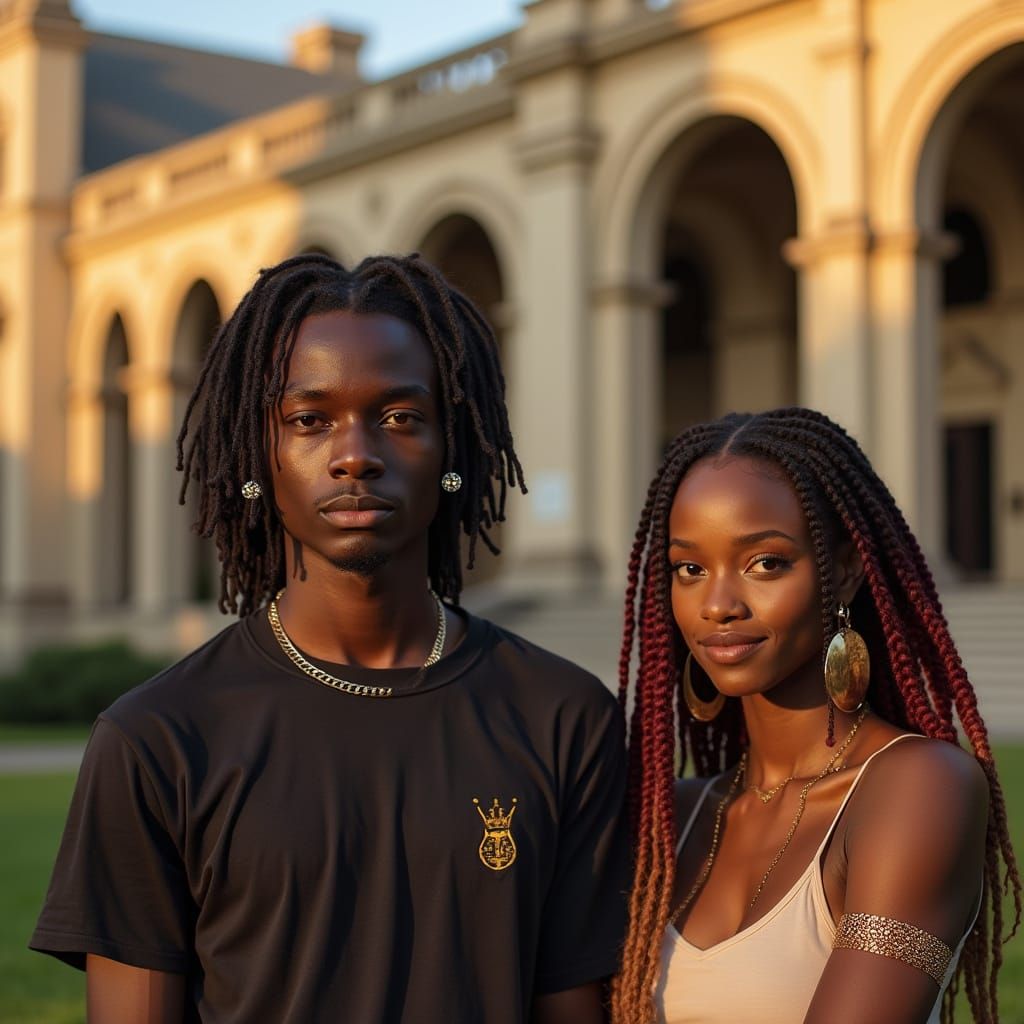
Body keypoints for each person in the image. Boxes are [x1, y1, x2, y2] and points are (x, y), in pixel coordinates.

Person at [31, 253, 629, 1023]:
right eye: (310, 420)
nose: (356, 454)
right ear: (260, 455)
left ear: (452, 449)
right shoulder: (157, 740)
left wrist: (851, 929)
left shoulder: (563, 718)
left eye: (400, 417)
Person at [609, 408, 1021, 1024]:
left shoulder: (918, 787)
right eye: (690, 569)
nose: (718, 604)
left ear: (848, 571)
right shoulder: (669, 817)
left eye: (766, 562)